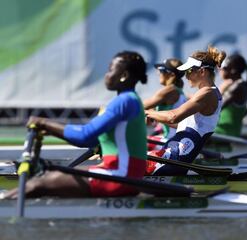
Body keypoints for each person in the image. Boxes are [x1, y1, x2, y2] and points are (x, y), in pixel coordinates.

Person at [4, 51, 148, 198]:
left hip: (119, 176)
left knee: (38, 183)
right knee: (54, 175)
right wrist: (53, 130)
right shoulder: (131, 99)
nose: (107, 75)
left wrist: (44, 122)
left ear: (123, 75)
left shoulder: (124, 101)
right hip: (124, 174)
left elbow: (84, 136)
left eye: (111, 70)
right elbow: (92, 140)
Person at [145, 45, 226, 176]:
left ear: (202, 71)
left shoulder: (207, 94)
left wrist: (147, 112)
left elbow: (173, 116)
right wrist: (155, 117)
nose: (186, 77)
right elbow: (181, 124)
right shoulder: (209, 93)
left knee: (126, 160)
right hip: (173, 155)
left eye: (189, 72)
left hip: (173, 160)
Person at [143, 58, 187, 148]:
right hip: (176, 138)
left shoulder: (169, 91)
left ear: (171, 75)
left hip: (172, 140)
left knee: (133, 144)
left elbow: (139, 105)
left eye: (161, 70)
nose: (158, 73)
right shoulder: (178, 90)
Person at [215, 53, 247, 137]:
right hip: (223, 129)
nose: (220, 70)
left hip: (226, 131)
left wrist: (220, 90)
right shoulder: (237, 85)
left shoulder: (237, 87)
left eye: (223, 68)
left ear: (233, 70)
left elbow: (216, 107)